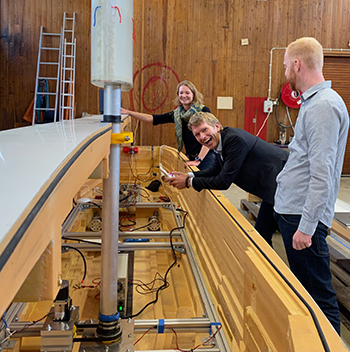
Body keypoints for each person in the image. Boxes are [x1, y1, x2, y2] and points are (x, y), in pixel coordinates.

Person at [273, 37, 349, 334]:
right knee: (307, 291)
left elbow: (323, 173)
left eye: (285, 66)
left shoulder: (322, 107)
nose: (284, 72)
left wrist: (306, 227)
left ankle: (327, 343)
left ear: (297, 64)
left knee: (318, 296)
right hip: (294, 210)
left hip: (302, 217)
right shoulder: (314, 102)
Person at [166, 112, 289, 245]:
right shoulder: (221, 140)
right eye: (197, 134)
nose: (202, 137)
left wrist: (188, 182)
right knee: (261, 234)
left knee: (292, 238)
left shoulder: (234, 140)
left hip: (286, 185)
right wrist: (190, 175)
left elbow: (223, 181)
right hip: (271, 188)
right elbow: (216, 169)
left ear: (217, 126)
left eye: (205, 130)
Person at [121, 80, 216, 170]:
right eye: (181, 93)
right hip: (191, 156)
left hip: (207, 155)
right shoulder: (177, 114)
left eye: (187, 93)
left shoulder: (203, 111)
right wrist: (129, 112)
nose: (184, 95)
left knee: (206, 183)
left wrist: (198, 160)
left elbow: (209, 137)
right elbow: (153, 118)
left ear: (193, 95)